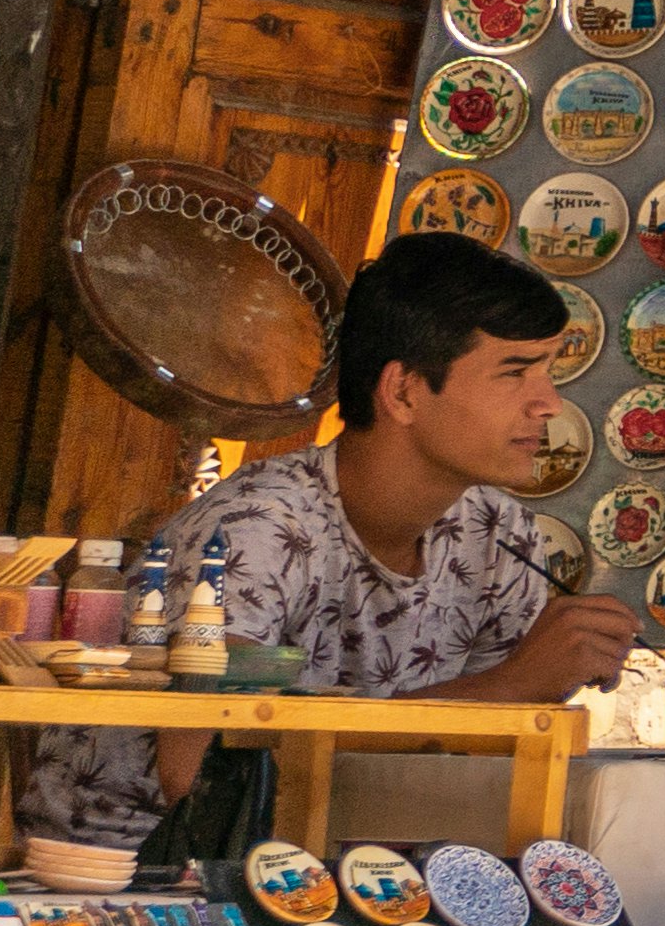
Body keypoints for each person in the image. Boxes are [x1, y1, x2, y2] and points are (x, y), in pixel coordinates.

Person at [32, 231, 626, 861]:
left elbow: (475, 769)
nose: (550, 404)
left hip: (348, 877)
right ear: (402, 392)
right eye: (514, 373)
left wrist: (533, 689)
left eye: (548, 373)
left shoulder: (500, 537)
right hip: (140, 879)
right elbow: (197, 770)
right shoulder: (259, 527)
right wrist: (512, 688)